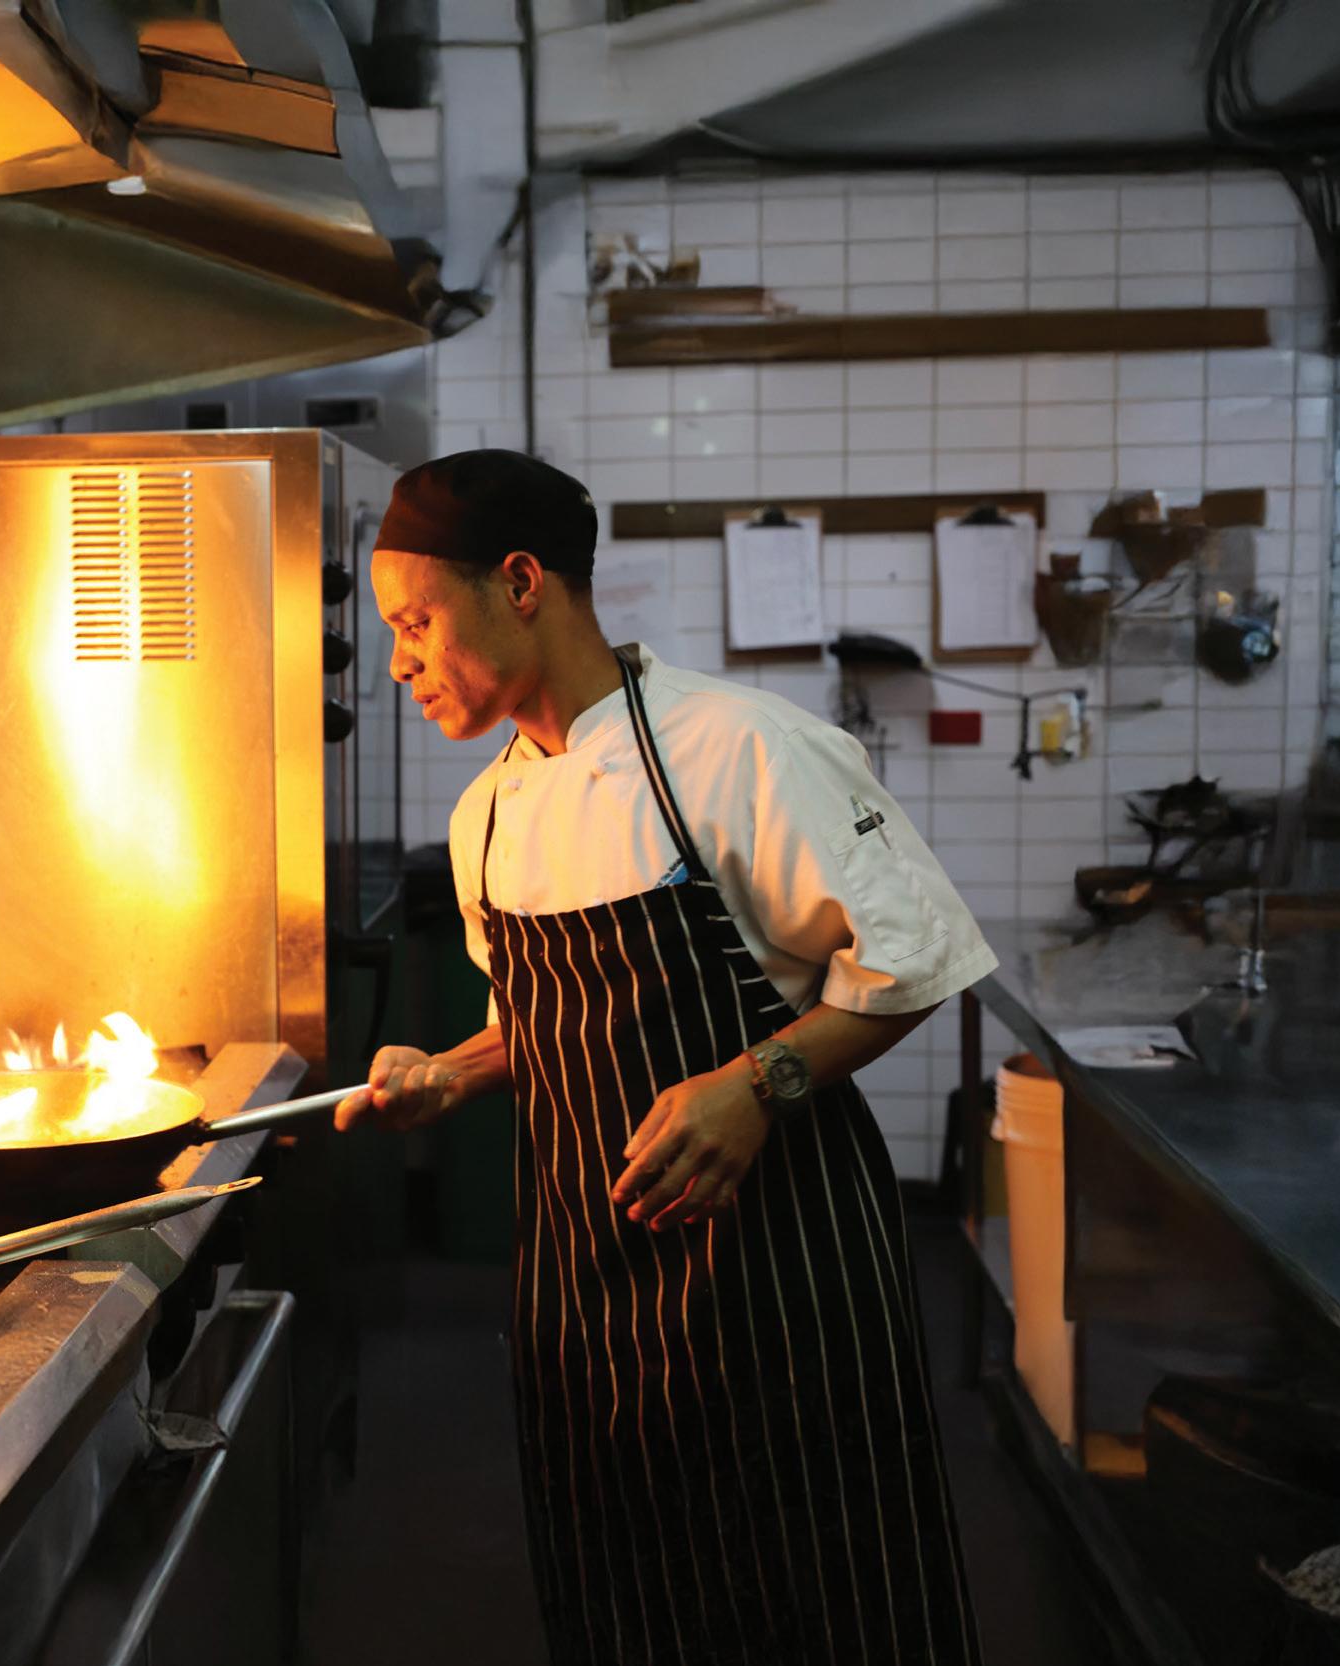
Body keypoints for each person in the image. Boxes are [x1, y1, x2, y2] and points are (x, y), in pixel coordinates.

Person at [338, 450, 990, 1665]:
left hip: (778, 1277)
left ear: (519, 581)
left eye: (414, 623)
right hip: (582, 1296)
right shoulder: (486, 814)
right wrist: (454, 1070)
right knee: (626, 1596)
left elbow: (914, 962)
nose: (396, 663)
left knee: (826, 1597)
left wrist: (754, 1084)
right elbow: (540, 1021)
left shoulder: (737, 748)